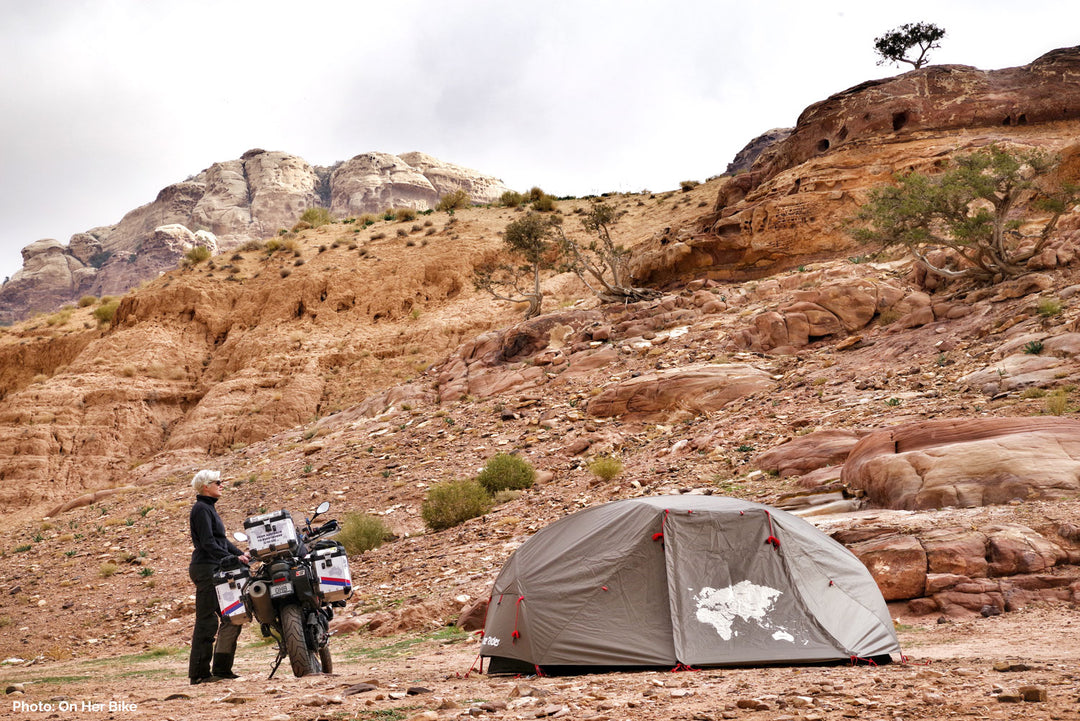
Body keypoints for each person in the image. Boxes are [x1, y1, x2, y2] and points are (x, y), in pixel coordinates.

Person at [187, 469, 249, 684]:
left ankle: (222, 670)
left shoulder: (209, 508)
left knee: (232, 616)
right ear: (206, 486)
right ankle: (199, 674)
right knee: (206, 621)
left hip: (215, 568)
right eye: (218, 482)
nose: (222, 485)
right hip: (206, 569)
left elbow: (221, 541)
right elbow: (207, 543)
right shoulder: (201, 509)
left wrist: (241, 555)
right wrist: (231, 557)